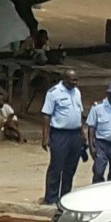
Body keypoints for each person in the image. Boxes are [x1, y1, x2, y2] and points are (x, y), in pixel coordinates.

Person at [41, 70, 84, 205]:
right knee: (57, 166)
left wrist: (82, 134)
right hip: (60, 134)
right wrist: (45, 137)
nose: (75, 83)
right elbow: (47, 115)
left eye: (76, 80)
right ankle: (51, 198)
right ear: (64, 79)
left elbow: (79, 114)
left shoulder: (77, 92)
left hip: (75, 134)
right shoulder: (54, 93)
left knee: (70, 168)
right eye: (72, 80)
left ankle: (65, 197)